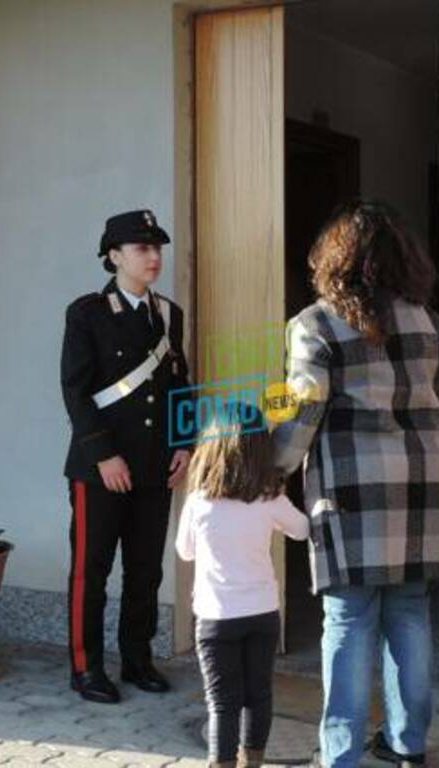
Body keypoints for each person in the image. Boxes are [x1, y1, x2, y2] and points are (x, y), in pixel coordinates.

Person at [272, 200, 439, 768]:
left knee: (348, 619)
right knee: (410, 614)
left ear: (335, 260)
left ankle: (342, 755)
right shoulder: (431, 322)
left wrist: (271, 470)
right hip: (426, 488)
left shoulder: (316, 323)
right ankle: (408, 746)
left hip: (351, 491)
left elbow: (303, 410)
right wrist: (422, 451)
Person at [60, 209, 193, 704]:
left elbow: (180, 384)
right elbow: (75, 391)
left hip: (155, 464)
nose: (153, 257)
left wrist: (184, 443)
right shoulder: (87, 312)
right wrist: (105, 456)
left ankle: (137, 659)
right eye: (141, 249)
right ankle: (85, 666)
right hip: (101, 468)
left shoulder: (168, 315)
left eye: (157, 248)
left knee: (145, 569)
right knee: (91, 570)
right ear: (114, 257)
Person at [176, 407, 309, 768]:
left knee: (222, 702)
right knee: (259, 695)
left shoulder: (199, 502)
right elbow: (301, 529)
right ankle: (254, 761)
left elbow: (184, 552)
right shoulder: (269, 499)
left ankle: (221, 763)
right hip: (263, 613)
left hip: (216, 618)